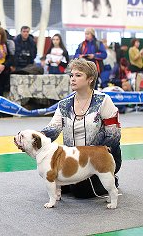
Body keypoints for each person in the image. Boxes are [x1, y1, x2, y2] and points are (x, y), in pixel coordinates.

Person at [41, 58, 121, 198]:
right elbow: (52, 130)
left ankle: (111, 179)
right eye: (71, 75)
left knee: (81, 192)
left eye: (78, 75)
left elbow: (113, 135)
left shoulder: (104, 100)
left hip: (100, 157)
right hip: (74, 159)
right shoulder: (64, 104)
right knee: (61, 185)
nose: (72, 79)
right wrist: (34, 138)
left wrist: (96, 156)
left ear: (90, 79)